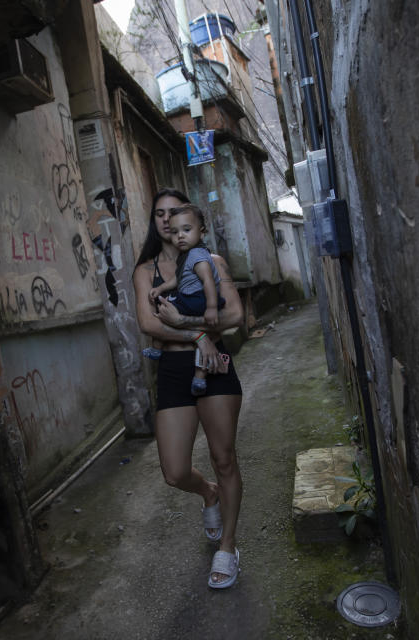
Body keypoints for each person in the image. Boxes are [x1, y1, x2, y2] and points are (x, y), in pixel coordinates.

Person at [133, 188, 244, 589]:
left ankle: (228, 548)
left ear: (191, 220)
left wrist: (185, 326)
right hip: (176, 371)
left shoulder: (210, 261)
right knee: (175, 471)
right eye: (160, 213)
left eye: (175, 212)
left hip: (216, 369)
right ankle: (208, 494)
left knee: (224, 457)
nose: (167, 220)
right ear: (154, 221)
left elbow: (233, 314)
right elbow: (149, 324)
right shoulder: (146, 272)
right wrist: (198, 336)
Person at [146, 203, 227, 396]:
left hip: (198, 299)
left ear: (202, 232)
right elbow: (177, 279)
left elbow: (208, 281)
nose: (180, 236)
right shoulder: (187, 256)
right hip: (196, 299)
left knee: (163, 311)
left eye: (186, 230)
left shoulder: (197, 255)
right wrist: (161, 287)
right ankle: (199, 378)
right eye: (174, 232)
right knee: (204, 338)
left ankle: (156, 349)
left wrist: (211, 308)